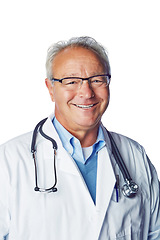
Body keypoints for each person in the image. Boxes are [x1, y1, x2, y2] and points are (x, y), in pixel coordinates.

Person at [0, 36, 160, 240]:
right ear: (50, 88)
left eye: (96, 80)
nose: (86, 92)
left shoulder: (135, 155)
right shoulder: (8, 161)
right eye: (71, 81)